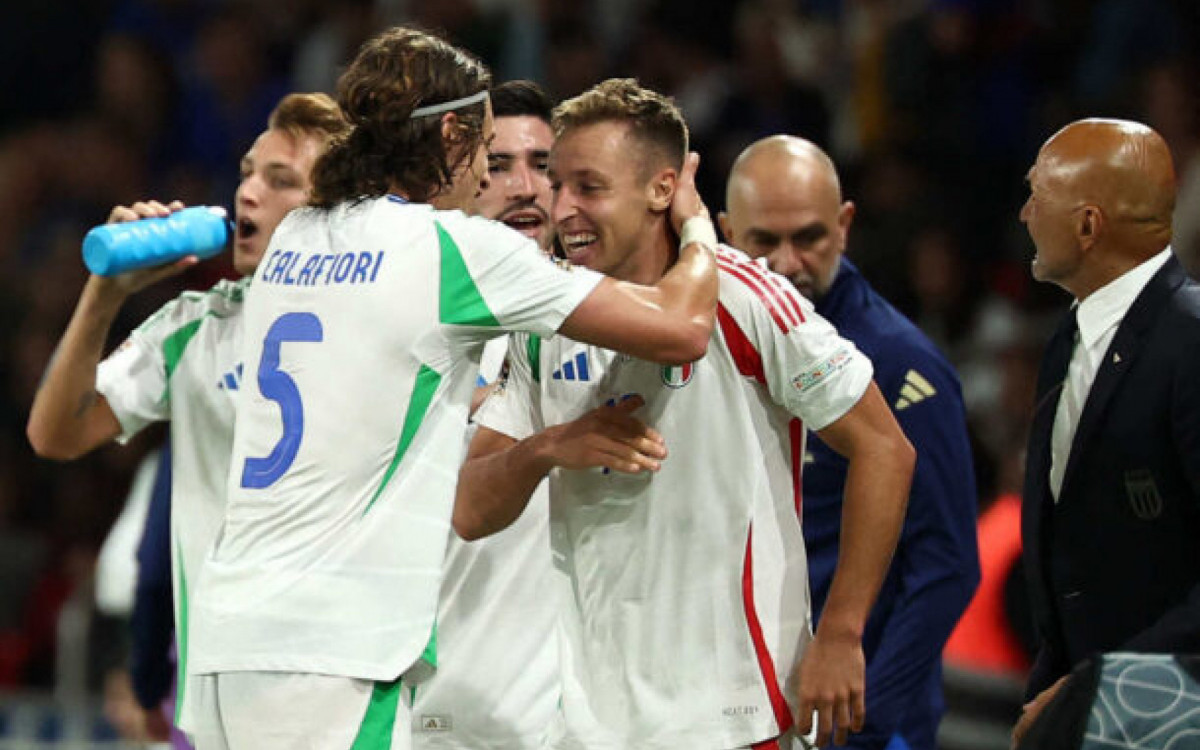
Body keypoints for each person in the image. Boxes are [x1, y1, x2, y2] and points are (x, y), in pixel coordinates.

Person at [180, 28, 721, 749]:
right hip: (334, 654)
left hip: (228, 643)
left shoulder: (297, 236)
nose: (487, 181)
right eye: (486, 151)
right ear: (451, 135)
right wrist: (697, 227)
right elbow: (681, 327)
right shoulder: (450, 250)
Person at [457, 78, 915, 750]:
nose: (561, 207)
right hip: (590, 726)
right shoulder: (545, 321)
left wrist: (843, 633)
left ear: (661, 188)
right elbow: (470, 509)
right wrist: (549, 447)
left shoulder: (747, 297)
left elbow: (885, 448)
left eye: (588, 186)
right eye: (558, 185)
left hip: (735, 716)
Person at [25, 92, 350, 742]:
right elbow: (55, 434)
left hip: (337, 691)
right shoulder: (192, 327)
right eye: (247, 173)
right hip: (213, 702)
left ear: (335, 210)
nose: (247, 194)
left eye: (279, 180)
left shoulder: (381, 321)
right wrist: (103, 296)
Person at [720, 135, 980, 750]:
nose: (787, 263)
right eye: (764, 242)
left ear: (845, 225)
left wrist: (865, 724)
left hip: (854, 714)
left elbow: (946, 569)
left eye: (809, 238)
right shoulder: (703, 343)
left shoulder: (902, 368)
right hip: (743, 706)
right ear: (727, 232)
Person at [1012, 118, 1200, 746]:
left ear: (1089, 225)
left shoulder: (1191, 340)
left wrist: (1098, 690)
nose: (1024, 213)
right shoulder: (1069, 335)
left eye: (1038, 194)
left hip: (1166, 716)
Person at [411, 79, 561, 750]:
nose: (525, 187)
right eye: (499, 165)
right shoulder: (406, 323)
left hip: (568, 718)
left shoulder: (603, 329)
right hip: (432, 707)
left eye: (543, 166)